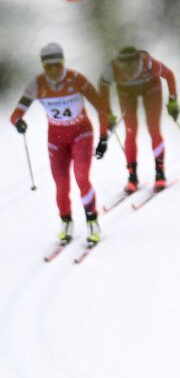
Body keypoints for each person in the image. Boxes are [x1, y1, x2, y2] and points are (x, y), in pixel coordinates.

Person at [10, 42, 110, 246]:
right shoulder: (37, 84)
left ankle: (92, 221)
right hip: (56, 139)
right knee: (61, 184)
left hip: (81, 134)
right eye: (49, 66)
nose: (54, 70)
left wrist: (103, 138)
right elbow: (16, 114)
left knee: (81, 177)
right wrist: (18, 122)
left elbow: (101, 107)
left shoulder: (76, 79)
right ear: (43, 66)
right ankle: (66, 222)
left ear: (63, 62)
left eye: (58, 65)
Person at [99, 46, 178, 193]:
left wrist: (173, 100)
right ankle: (132, 176)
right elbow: (103, 87)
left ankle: (160, 172)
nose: (128, 71)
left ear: (137, 62)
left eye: (132, 67)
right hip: (127, 93)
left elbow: (169, 75)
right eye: (124, 68)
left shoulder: (150, 64)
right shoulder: (112, 68)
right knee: (130, 131)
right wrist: (107, 113)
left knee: (154, 129)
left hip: (151, 89)